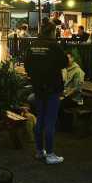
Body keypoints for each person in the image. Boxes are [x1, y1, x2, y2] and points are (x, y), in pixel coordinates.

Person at [25, 21, 68, 165]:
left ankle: (39, 151)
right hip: (52, 87)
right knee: (50, 121)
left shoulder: (33, 45)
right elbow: (64, 63)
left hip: (38, 87)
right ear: (52, 31)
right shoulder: (54, 45)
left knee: (40, 118)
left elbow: (27, 64)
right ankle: (50, 154)